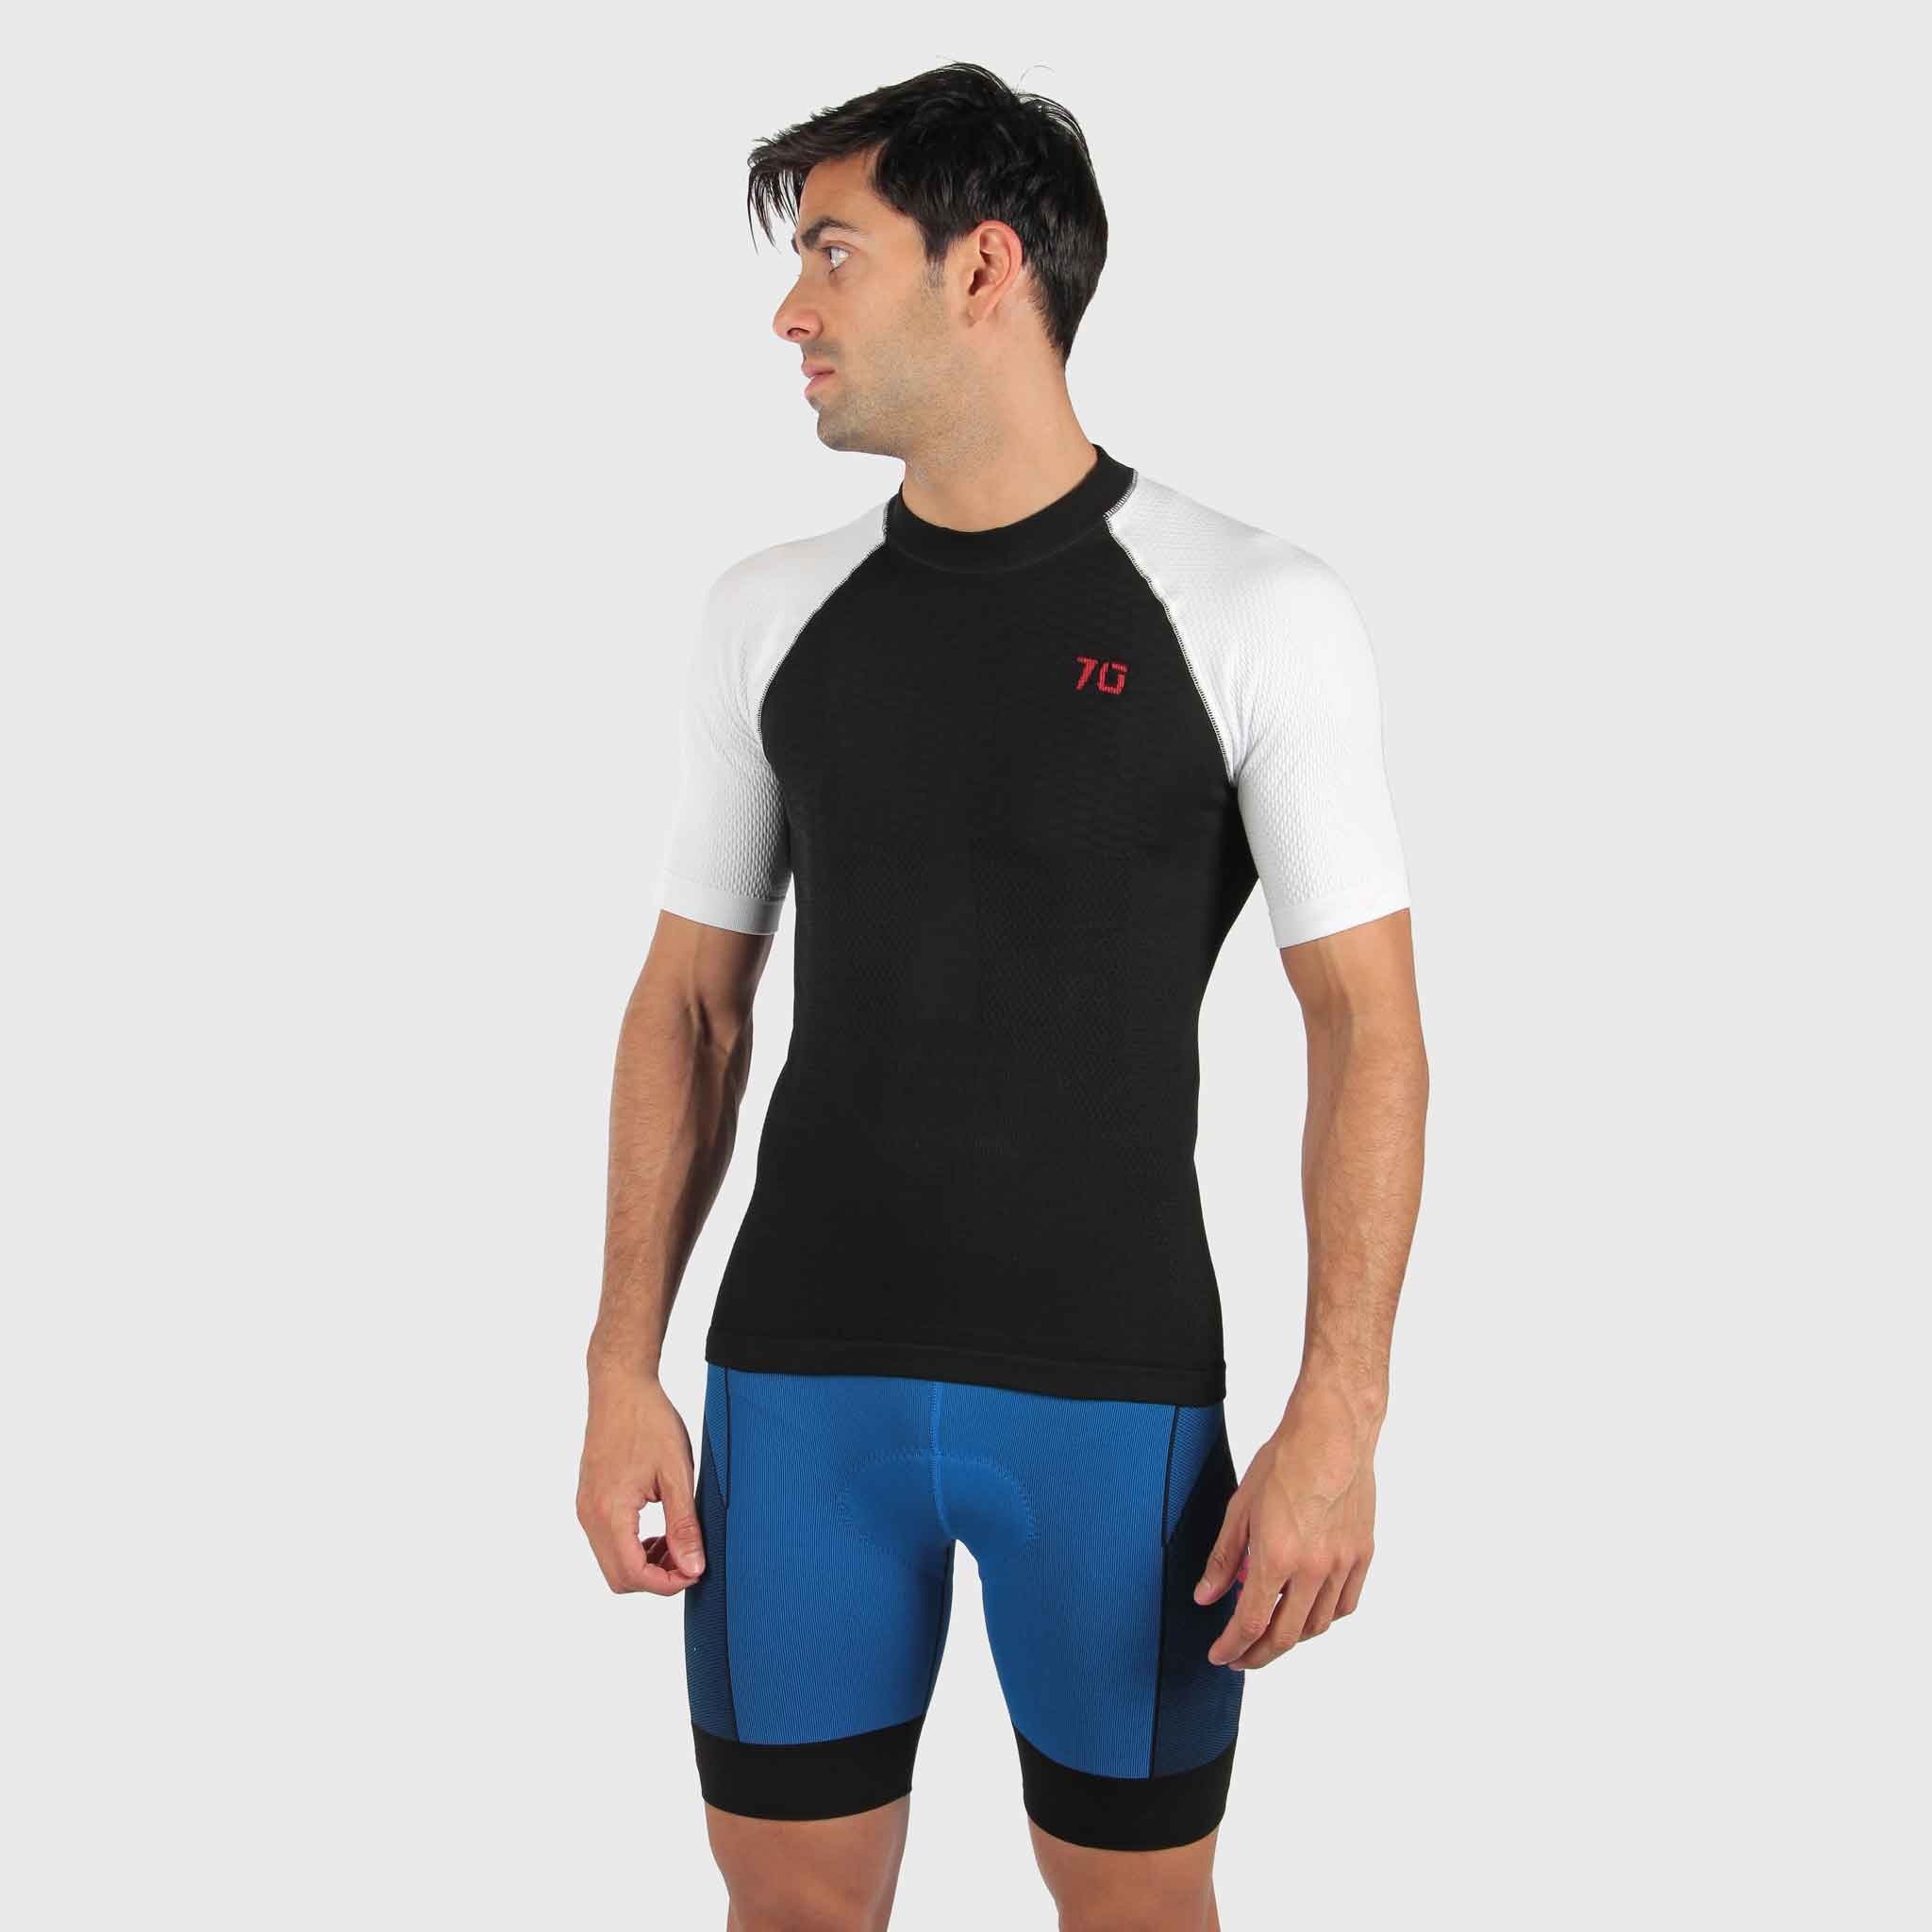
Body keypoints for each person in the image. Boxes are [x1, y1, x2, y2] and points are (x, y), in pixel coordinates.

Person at [577, 61, 1428, 1932]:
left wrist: (1340, 1415)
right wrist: (618, 1363)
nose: (789, 312)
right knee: (790, 1910)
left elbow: (1367, 1024)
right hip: (796, 1392)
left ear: (981, 269)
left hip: (1110, 1404)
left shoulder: (1251, 607)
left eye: (832, 254)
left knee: (1137, 1912)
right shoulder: (766, 612)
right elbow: (691, 1005)